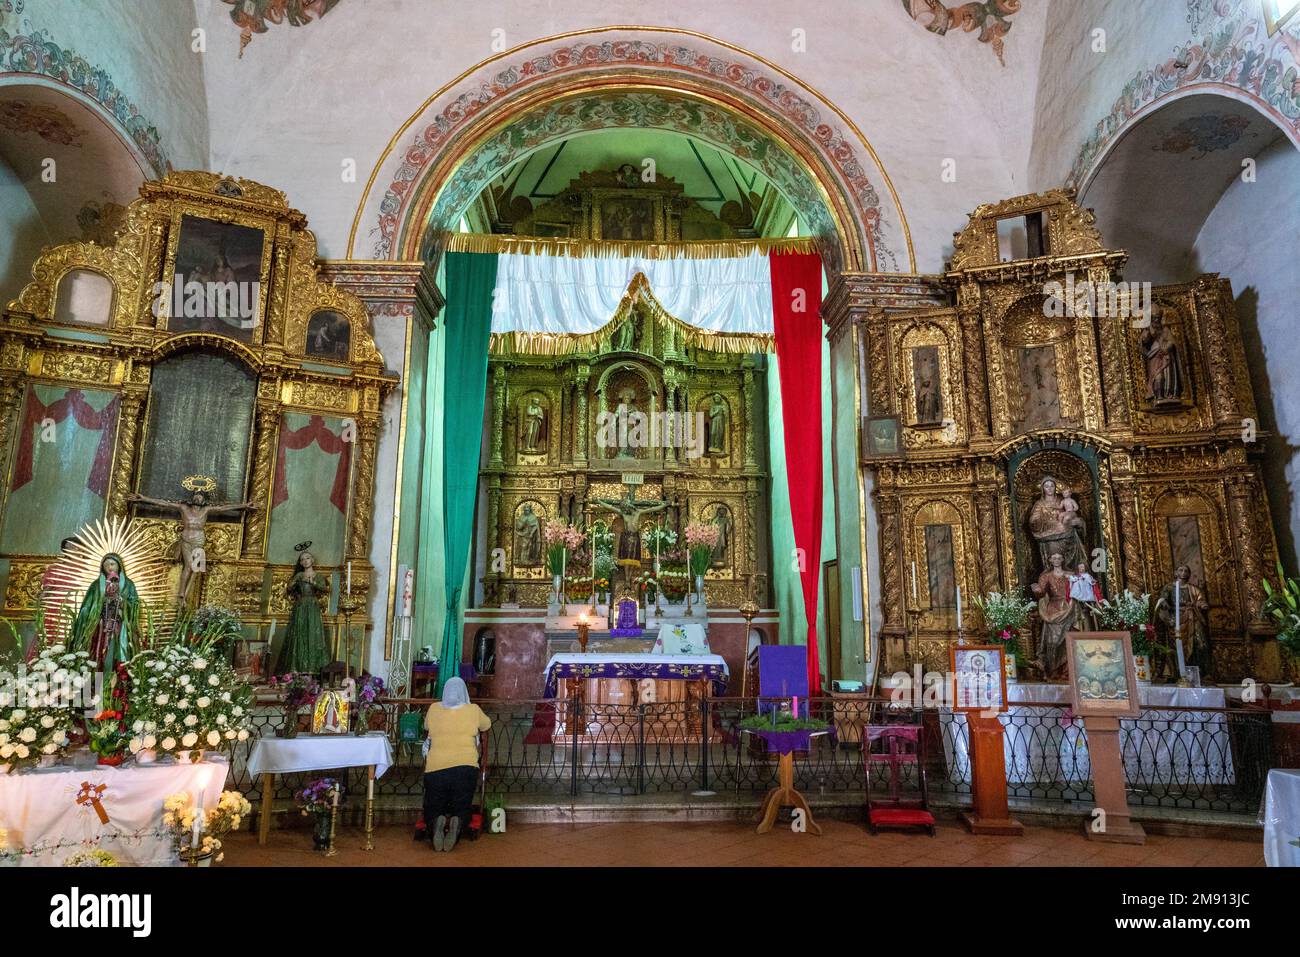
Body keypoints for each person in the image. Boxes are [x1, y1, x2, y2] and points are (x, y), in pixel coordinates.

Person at [423, 677, 491, 852]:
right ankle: (457, 820)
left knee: (433, 804)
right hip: (465, 767)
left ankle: (436, 820)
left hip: (435, 768)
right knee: (462, 804)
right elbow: (487, 725)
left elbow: (426, 727)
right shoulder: (473, 710)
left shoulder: (433, 709)